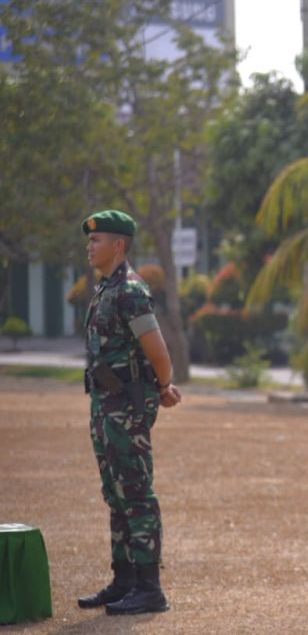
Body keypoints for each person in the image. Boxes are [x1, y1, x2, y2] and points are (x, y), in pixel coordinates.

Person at [77, 210, 180, 616]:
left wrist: (163, 384)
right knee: (116, 494)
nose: (90, 246)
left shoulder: (130, 291)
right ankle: (125, 582)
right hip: (106, 405)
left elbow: (158, 351)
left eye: (97, 240)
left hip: (127, 407)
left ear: (118, 245)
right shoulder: (106, 288)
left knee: (135, 493)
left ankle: (150, 589)